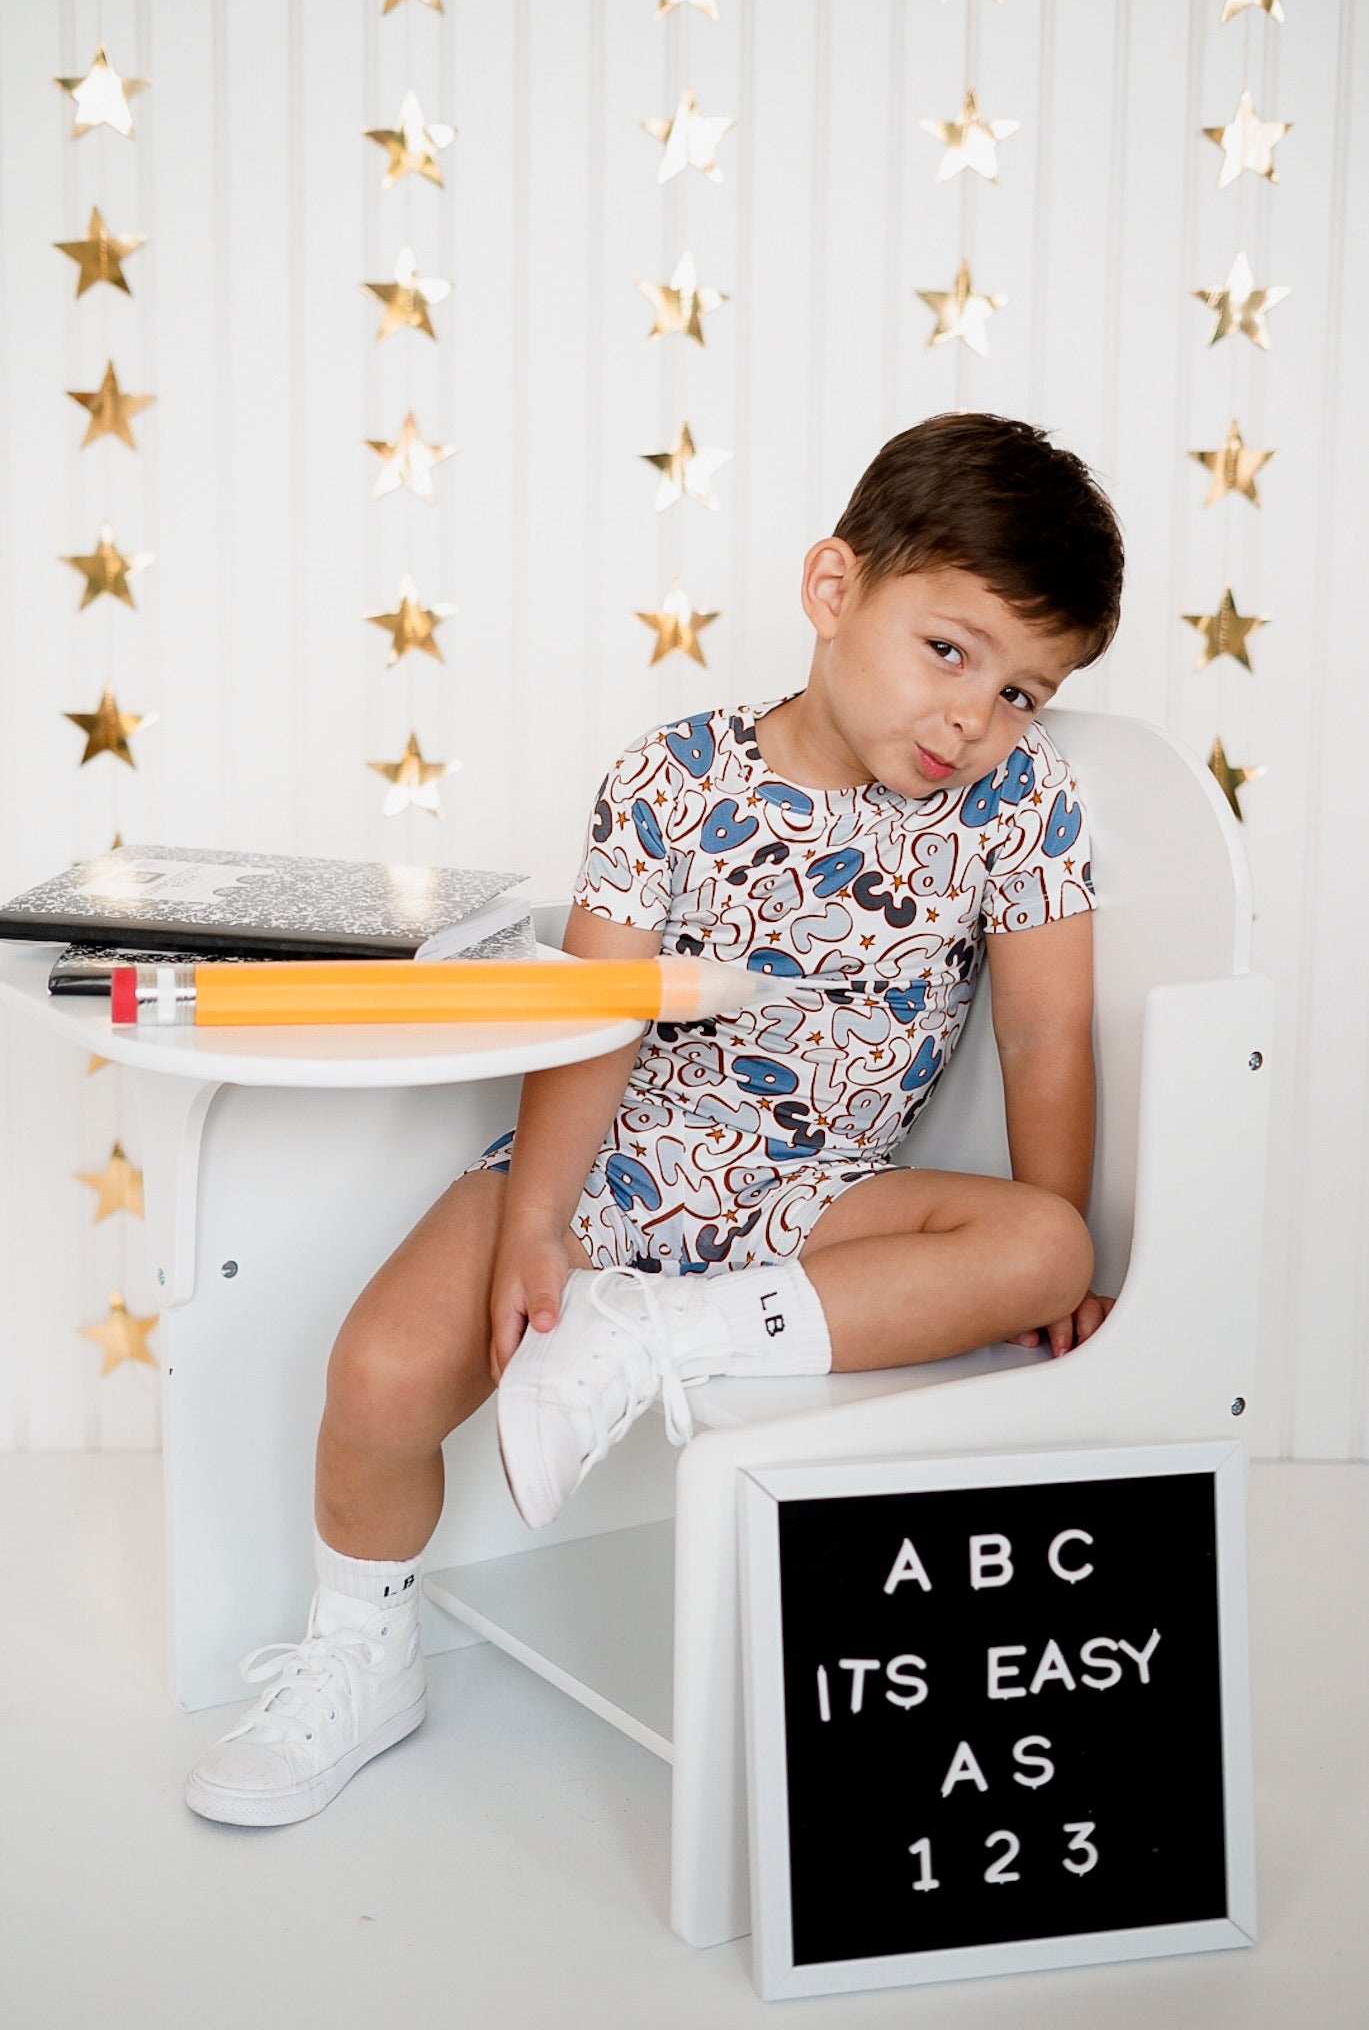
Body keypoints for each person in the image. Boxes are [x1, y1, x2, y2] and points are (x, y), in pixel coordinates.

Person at [183, 410, 1124, 1827]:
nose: (972, 720)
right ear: (833, 589)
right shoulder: (670, 781)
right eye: (949, 651)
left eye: (1022, 694)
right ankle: (360, 1655)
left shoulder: (1022, 804)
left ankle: (656, 1338)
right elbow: (594, 1025)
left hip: (819, 1192)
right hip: (621, 1164)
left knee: (1044, 1245)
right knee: (376, 1375)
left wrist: (1067, 1268)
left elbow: (1046, 1035)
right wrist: (539, 1225)